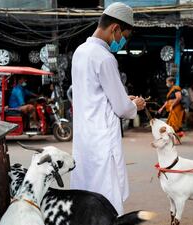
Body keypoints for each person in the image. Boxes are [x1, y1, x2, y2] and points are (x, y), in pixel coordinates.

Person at [70, 2, 146, 215]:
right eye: (124, 36)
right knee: (107, 198)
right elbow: (122, 109)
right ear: (115, 29)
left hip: (85, 138)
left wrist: (123, 98)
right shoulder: (105, 58)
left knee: (85, 193)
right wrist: (135, 105)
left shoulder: (80, 52)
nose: (122, 42)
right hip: (103, 141)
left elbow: (95, 94)